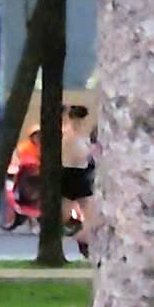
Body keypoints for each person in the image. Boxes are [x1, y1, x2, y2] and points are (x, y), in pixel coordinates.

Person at [62, 104, 96, 249]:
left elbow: (85, 155)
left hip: (81, 173)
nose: (78, 123)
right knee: (65, 211)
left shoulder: (82, 137)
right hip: (68, 172)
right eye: (75, 119)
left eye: (80, 120)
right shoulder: (66, 134)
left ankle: (87, 239)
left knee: (87, 211)